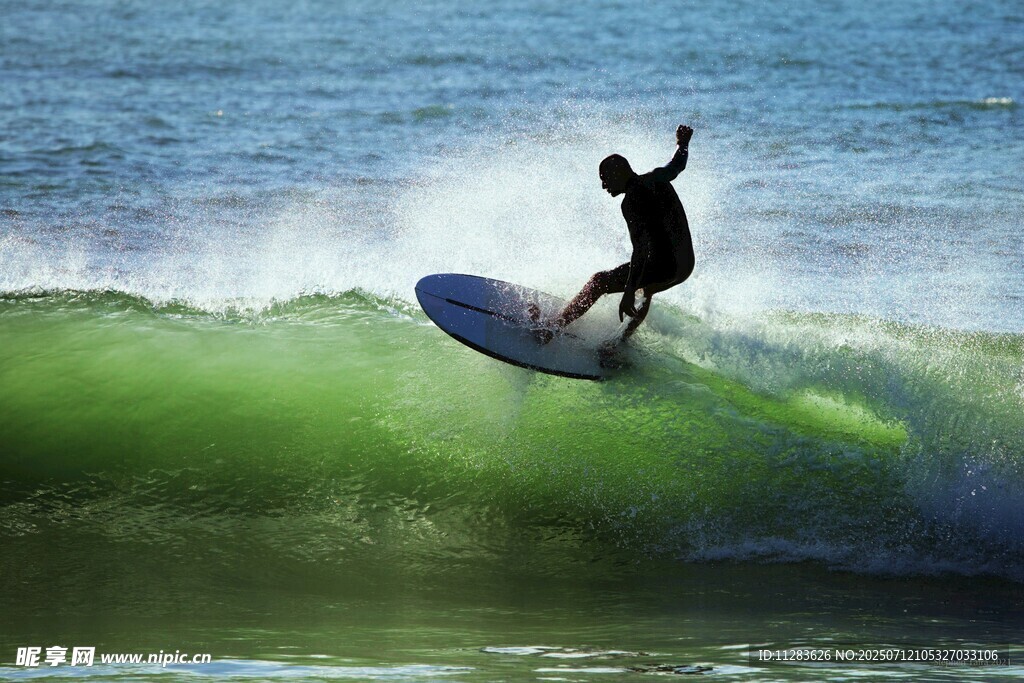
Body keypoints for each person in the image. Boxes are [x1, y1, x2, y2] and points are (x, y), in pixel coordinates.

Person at [550, 124, 695, 345]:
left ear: (618, 174)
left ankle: (551, 328)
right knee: (648, 288)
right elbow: (678, 164)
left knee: (599, 281)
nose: (603, 185)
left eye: (605, 178)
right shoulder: (657, 177)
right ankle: (617, 344)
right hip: (685, 266)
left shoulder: (631, 202)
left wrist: (628, 291)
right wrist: (682, 143)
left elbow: (640, 250)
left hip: (665, 266)